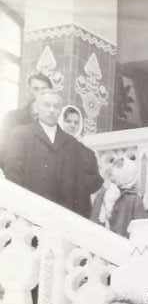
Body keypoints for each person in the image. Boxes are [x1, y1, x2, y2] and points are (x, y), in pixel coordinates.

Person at [4, 88, 102, 218]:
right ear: (37, 108)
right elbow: (13, 173)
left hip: (61, 215)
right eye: (46, 105)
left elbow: (88, 182)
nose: (51, 110)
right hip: (30, 212)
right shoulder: (21, 134)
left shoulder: (72, 144)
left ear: (60, 110)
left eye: (56, 106)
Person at [0, 72, 52, 172]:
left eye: (44, 90)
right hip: (16, 179)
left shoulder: (54, 124)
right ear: (28, 92)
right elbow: (2, 150)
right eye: (35, 89)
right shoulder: (12, 117)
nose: (40, 93)